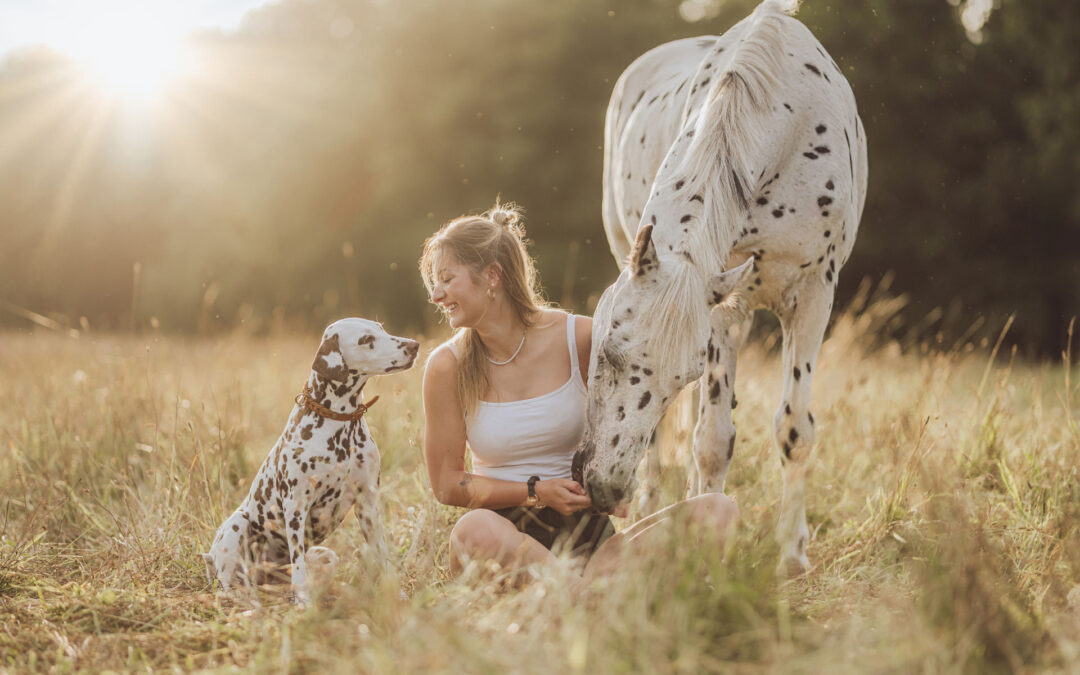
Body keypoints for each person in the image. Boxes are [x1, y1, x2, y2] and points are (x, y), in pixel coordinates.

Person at [419, 202, 738, 579]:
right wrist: (535, 492)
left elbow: (632, 411)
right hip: (504, 542)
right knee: (471, 531)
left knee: (718, 510)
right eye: (434, 282)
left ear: (492, 275)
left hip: (589, 543)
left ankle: (573, 598)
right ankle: (593, 599)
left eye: (446, 279)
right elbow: (447, 485)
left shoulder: (580, 337)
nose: (436, 295)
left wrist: (618, 482)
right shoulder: (446, 366)